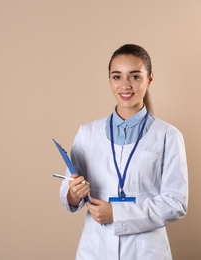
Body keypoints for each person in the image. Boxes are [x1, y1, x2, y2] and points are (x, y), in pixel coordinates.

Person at [59, 44, 188, 259]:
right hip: (95, 247)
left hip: (146, 250)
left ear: (150, 79)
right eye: (117, 77)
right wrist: (74, 193)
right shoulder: (88, 133)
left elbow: (176, 202)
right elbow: (68, 190)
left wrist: (117, 214)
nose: (125, 85)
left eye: (135, 77)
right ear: (109, 80)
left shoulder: (168, 136)